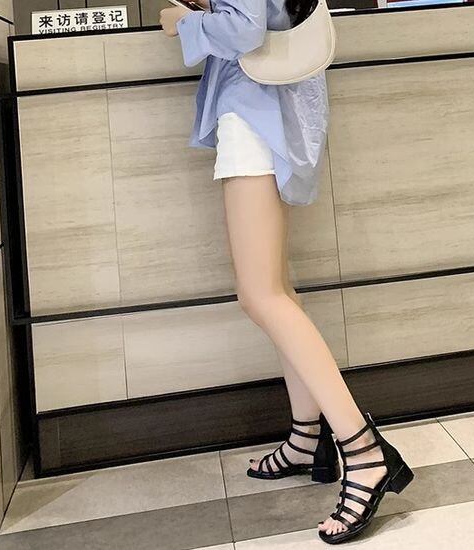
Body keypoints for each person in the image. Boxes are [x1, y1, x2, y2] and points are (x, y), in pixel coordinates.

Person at [160, 1, 414, 544]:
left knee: (260, 295)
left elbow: (245, 28)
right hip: (266, 108)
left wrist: (183, 22)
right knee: (276, 290)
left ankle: (365, 452)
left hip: (254, 113)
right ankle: (306, 438)